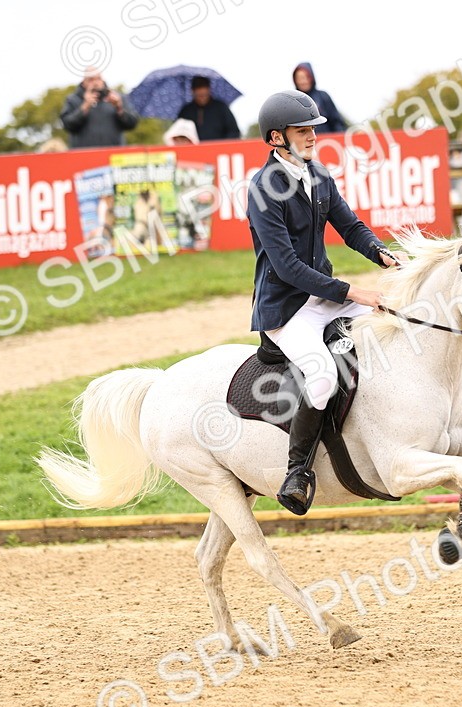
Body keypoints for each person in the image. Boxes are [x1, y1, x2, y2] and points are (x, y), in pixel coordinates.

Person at [247, 89, 399, 515]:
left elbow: (350, 227)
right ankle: (297, 473)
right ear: (276, 138)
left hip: (322, 296)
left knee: (393, 316)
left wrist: (383, 254)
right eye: (303, 130)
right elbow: (289, 267)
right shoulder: (263, 191)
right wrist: (356, 292)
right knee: (321, 376)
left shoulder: (317, 175)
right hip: (286, 310)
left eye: (314, 128)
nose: (313, 135)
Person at [60, 68, 140, 149]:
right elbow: (67, 125)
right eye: (91, 79)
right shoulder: (73, 99)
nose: (95, 83)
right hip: (83, 157)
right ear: (83, 82)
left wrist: (119, 108)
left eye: (98, 79)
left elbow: (132, 123)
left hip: (113, 156)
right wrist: (84, 107)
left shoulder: (117, 98)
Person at [177, 76, 240, 141]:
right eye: (200, 96)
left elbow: (234, 131)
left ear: (209, 90)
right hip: (193, 149)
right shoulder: (186, 111)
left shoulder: (221, 108)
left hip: (219, 149)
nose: (202, 98)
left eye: (205, 95)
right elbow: (177, 134)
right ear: (192, 91)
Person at [292, 63, 346, 133]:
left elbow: (336, 122)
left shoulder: (323, 96)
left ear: (311, 78)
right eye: (299, 78)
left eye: (305, 77)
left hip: (327, 141)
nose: (303, 81)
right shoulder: (292, 101)